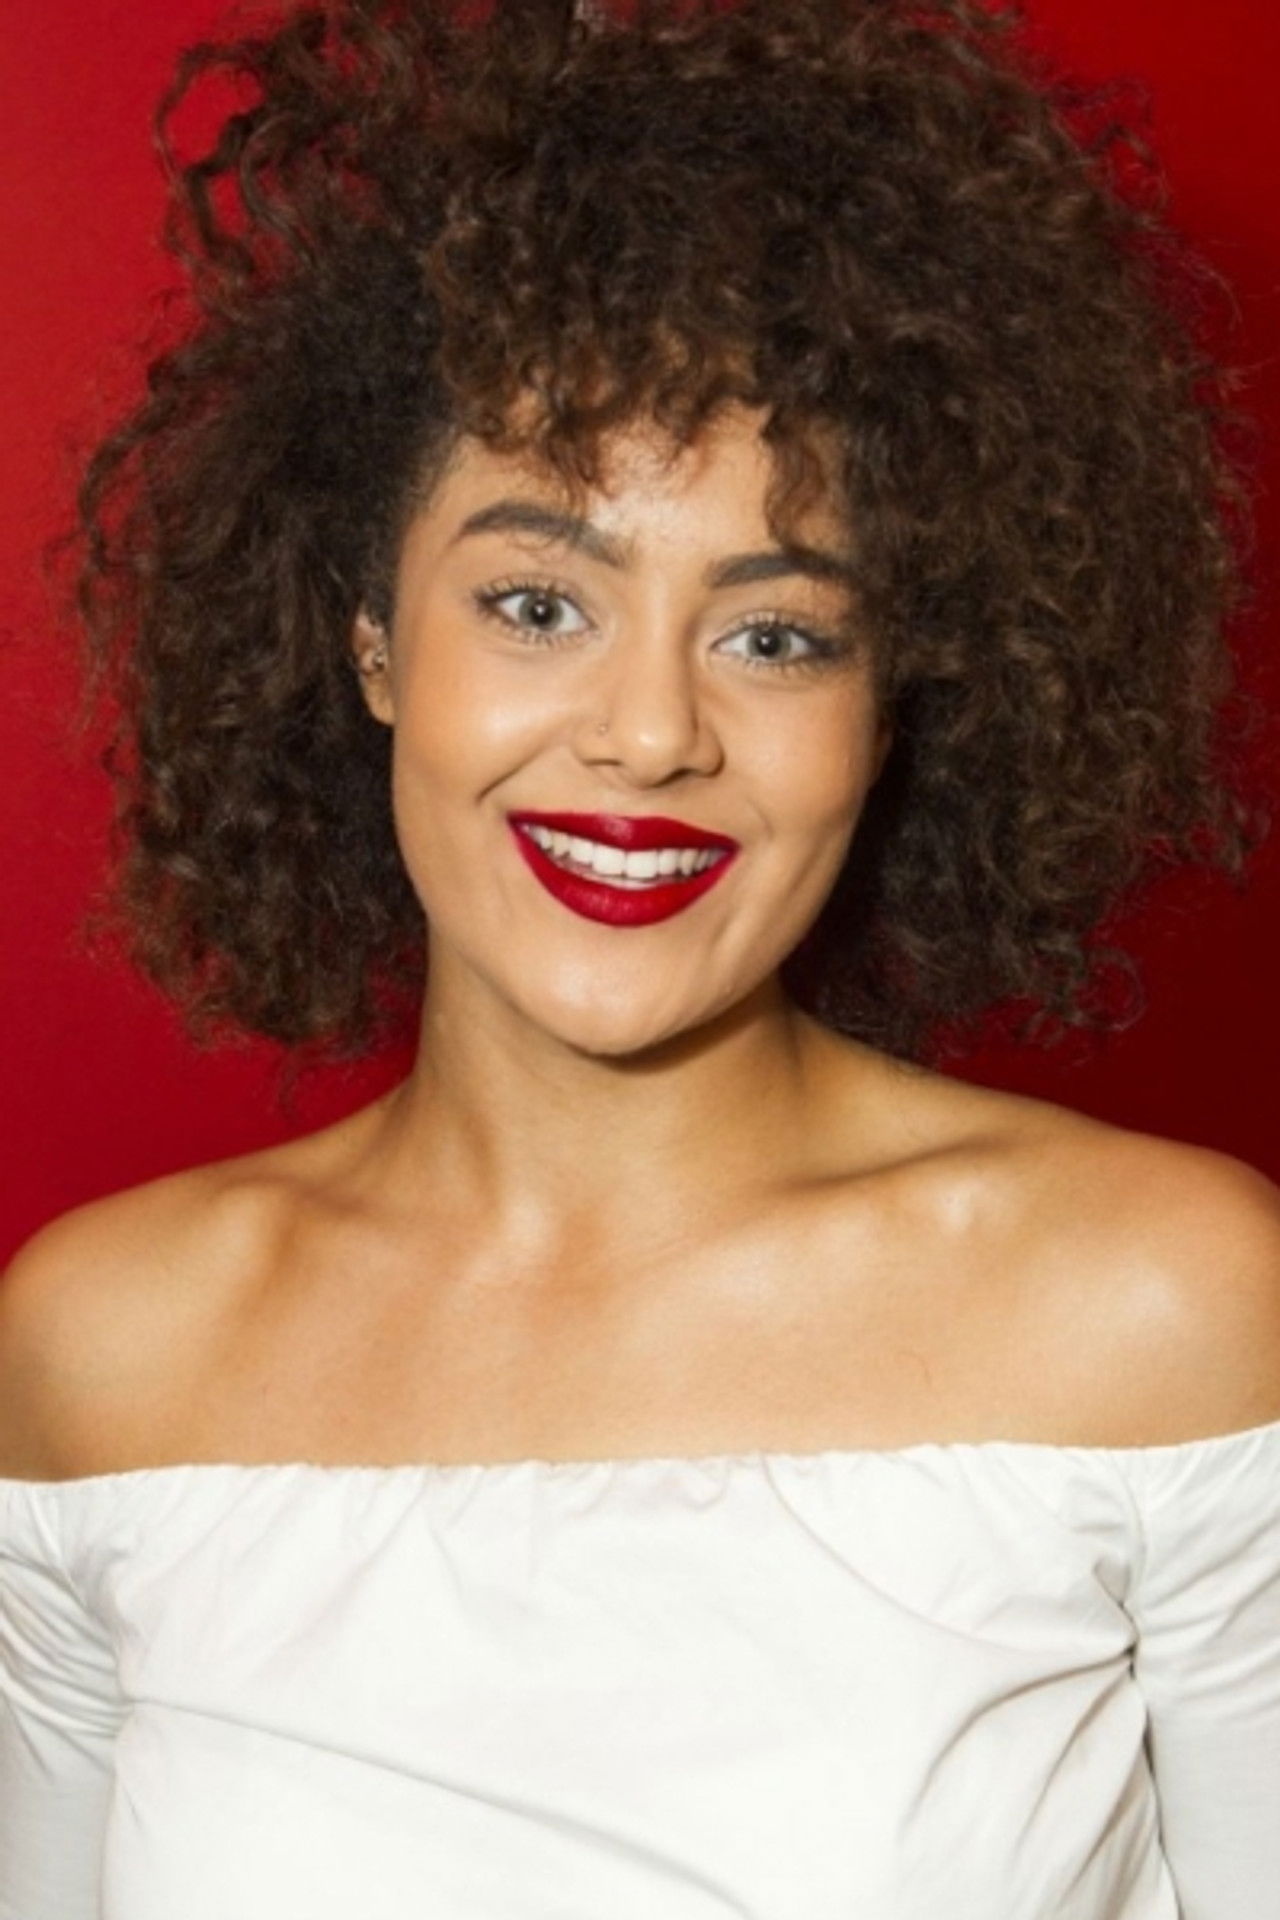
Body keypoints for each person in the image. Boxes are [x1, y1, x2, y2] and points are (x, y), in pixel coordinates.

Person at [2, 0, 1278, 1913]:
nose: (653, 733)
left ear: (890, 708)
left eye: (776, 636)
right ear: (372, 643)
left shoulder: (1164, 1310)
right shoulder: (107, 1346)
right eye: (539, 604)